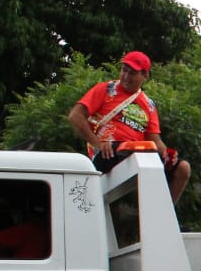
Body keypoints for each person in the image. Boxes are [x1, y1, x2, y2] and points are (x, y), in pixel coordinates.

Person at [67, 51, 191, 204]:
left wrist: (168, 154)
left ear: (144, 75)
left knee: (183, 168)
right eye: (124, 70)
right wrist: (97, 143)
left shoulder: (149, 104)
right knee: (138, 153)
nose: (125, 76)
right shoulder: (106, 89)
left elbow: (155, 141)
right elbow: (75, 116)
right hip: (109, 152)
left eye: (132, 73)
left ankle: (164, 215)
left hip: (139, 151)